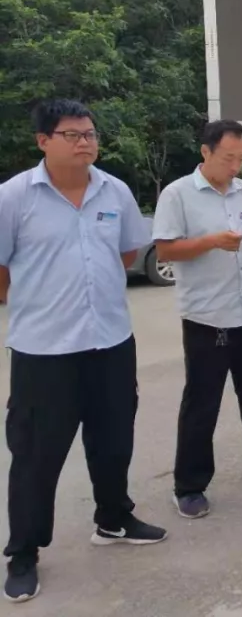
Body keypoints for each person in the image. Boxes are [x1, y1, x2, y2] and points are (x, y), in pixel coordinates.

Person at [0, 100, 167, 604]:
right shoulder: (14, 197)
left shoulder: (113, 190)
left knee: (114, 438)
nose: (85, 142)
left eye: (90, 133)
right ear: (43, 141)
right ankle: (24, 552)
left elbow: (127, 253)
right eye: (72, 134)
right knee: (35, 454)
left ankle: (113, 519)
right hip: (44, 351)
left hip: (111, 343)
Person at [153, 120, 242, 521]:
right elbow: (165, 250)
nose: (236, 166)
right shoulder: (178, 194)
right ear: (206, 152)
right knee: (203, 403)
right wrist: (211, 241)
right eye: (228, 157)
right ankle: (190, 485)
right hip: (208, 317)